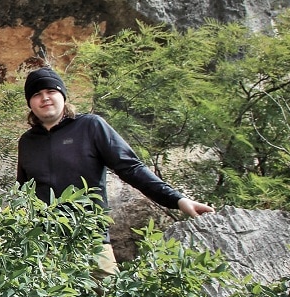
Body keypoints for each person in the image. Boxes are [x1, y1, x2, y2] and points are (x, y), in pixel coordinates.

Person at [17, 67, 215, 273]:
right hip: (44, 247)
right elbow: (23, 193)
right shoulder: (27, 142)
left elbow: (131, 168)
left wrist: (178, 200)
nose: (45, 98)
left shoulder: (90, 126)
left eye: (51, 92)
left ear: (63, 96)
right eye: (37, 94)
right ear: (30, 104)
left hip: (90, 240)